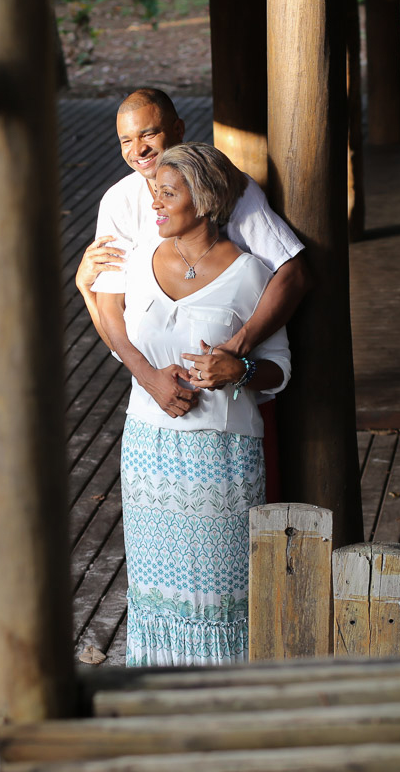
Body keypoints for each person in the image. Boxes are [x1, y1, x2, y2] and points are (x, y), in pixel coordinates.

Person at [92, 142, 291, 665]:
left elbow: (280, 369)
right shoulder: (136, 261)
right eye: (154, 192)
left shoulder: (251, 274)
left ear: (203, 201)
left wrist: (239, 369)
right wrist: (85, 288)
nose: (154, 203)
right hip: (148, 455)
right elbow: (115, 330)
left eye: (167, 193)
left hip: (221, 461)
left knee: (220, 601)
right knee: (154, 597)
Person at [75, 88, 309, 418]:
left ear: (178, 130)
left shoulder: (230, 189)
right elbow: (112, 304)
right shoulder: (119, 201)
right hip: (153, 387)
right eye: (125, 140)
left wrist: (235, 349)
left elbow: (293, 273)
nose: (138, 150)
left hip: (231, 390)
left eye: (148, 134)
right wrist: (149, 379)